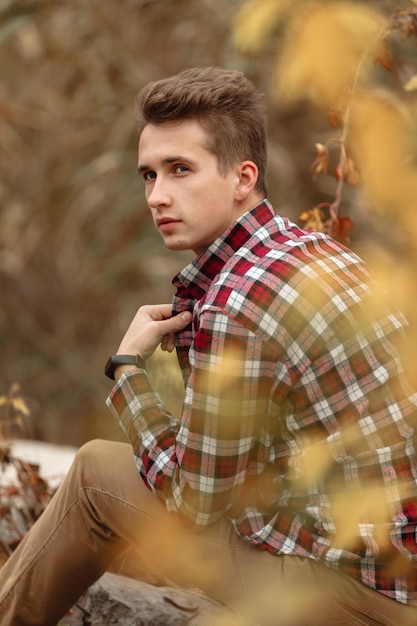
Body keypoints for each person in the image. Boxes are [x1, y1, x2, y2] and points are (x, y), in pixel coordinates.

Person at [1, 66, 417, 626]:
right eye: (148, 176)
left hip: (362, 599)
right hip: (386, 568)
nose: (157, 196)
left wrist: (127, 370)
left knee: (97, 474)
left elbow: (195, 504)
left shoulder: (238, 300)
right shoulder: (312, 251)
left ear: (243, 177)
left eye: (180, 170)